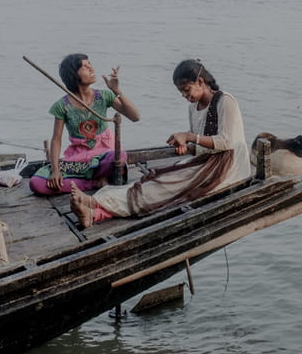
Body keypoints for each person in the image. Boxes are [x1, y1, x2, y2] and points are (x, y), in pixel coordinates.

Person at [70, 59, 250, 228]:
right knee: (155, 179)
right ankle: (93, 211)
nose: (184, 95)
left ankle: (96, 203)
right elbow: (204, 143)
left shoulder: (225, 100)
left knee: (165, 187)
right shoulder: (192, 108)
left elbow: (227, 142)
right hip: (207, 161)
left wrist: (188, 137)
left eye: (187, 90)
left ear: (201, 82)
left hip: (228, 166)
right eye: (181, 92)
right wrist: (187, 146)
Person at [29, 53, 140, 195]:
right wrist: (55, 171)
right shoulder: (62, 106)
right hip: (78, 159)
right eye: (85, 67)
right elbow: (56, 139)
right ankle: (92, 183)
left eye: (90, 65)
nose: (91, 69)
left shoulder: (104, 96)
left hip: (104, 155)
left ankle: (92, 179)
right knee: (36, 183)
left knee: (119, 156)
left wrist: (117, 91)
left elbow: (135, 116)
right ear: (74, 74)